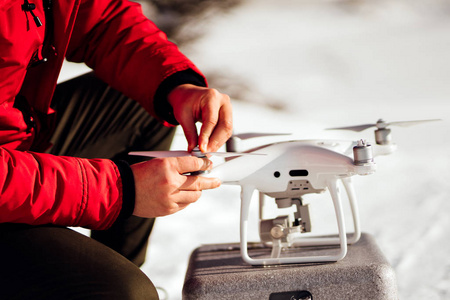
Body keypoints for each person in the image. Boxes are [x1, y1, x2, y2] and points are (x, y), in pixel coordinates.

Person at [0, 0, 232, 299]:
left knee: (145, 101)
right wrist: (119, 189)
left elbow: (99, 18)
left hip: (19, 141)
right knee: (125, 291)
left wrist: (176, 85)